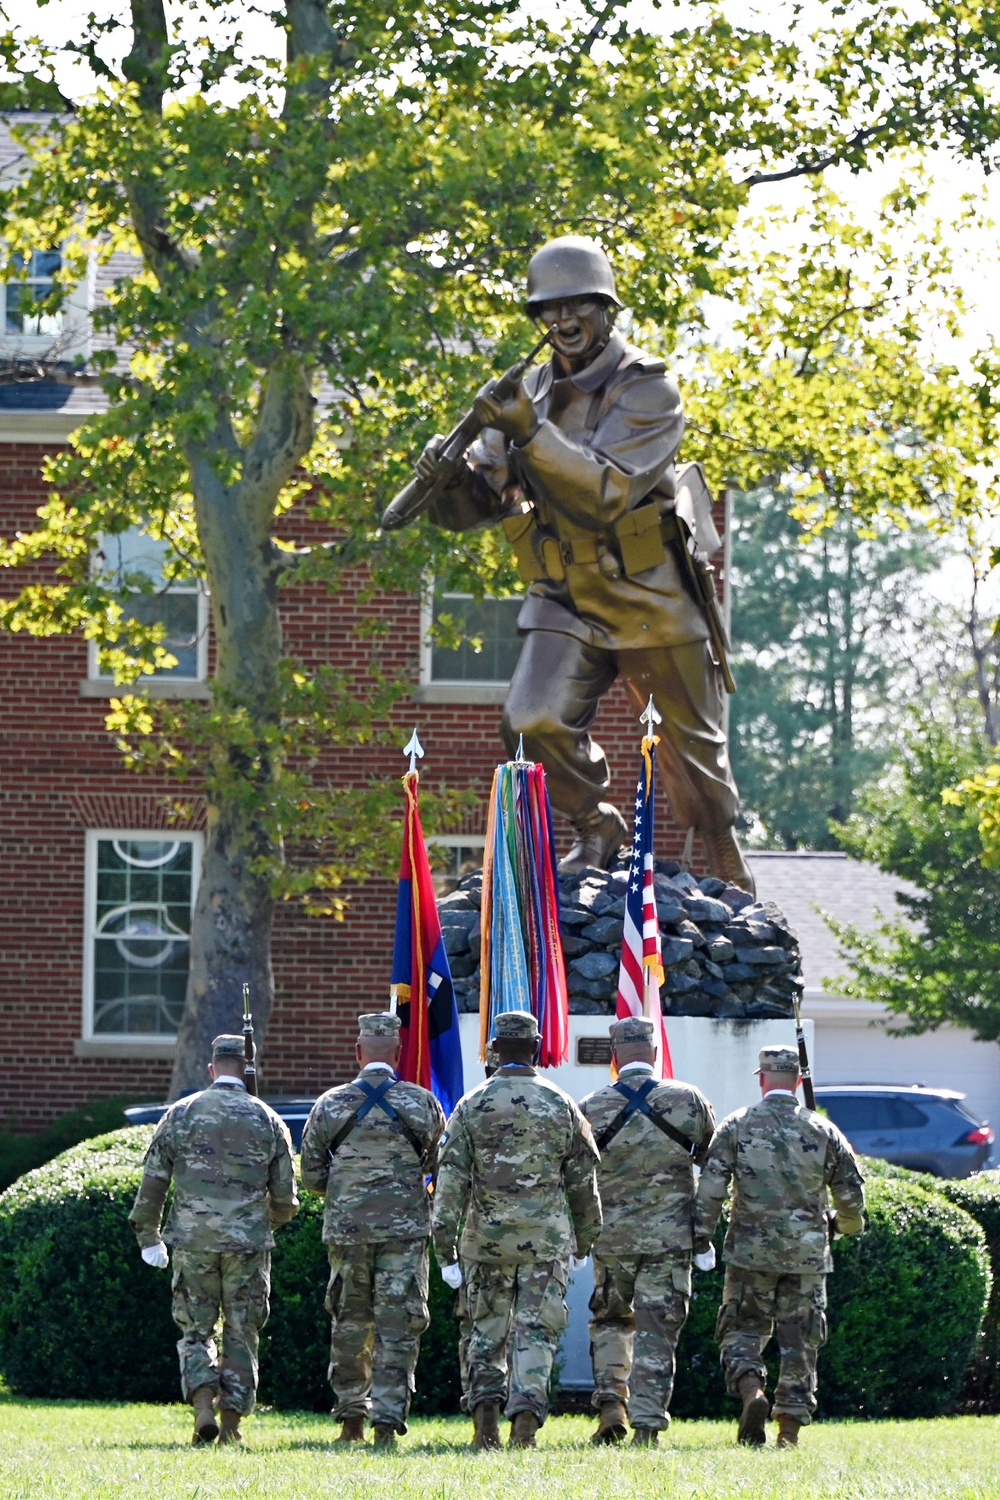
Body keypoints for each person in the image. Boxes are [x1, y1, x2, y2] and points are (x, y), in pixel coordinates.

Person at [418, 234, 752, 890]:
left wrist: (528, 432)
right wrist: (447, 478)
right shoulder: (529, 391)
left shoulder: (649, 390)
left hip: (649, 593)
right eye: (549, 310)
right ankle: (595, 826)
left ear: (608, 310)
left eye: (579, 306)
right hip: (565, 590)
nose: (563, 322)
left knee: (695, 760)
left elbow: (605, 493)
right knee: (530, 722)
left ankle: (728, 864)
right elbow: (479, 504)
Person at [432, 1009, 602, 1451]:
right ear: (535, 1047)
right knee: (537, 1333)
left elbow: (449, 1183)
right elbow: (583, 1182)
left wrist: (444, 1249)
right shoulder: (562, 1104)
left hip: (484, 1242)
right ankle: (524, 1421)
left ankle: (485, 1421)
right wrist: (585, 1240)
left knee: (485, 1330)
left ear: (493, 1050)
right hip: (545, 1243)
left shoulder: (470, 1106)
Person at [128, 1033, 299, 1447]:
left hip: (192, 1241)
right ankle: (231, 1426)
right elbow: (286, 1199)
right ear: (248, 1069)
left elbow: (153, 1182)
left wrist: (148, 1235)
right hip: (247, 1246)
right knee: (243, 1333)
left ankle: (203, 1404)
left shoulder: (181, 1113)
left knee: (195, 1331)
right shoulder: (267, 1119)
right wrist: (260, 1225)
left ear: (211, 1069)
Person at [693, 1044, 866, 1449]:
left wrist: (701, 1235)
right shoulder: (824, 1131)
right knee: (801, 1341)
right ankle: (788, 1430)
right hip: (807, 1256)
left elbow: (712, 1190)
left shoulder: (737, 1125)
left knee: (741, 1329)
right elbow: (852, 1200)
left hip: (750, 1253)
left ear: (762, 1078)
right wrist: (843, 1227)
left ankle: (752, 1391)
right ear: (799, 1080)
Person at [299, 1011, 446, 1449]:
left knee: (350, 1323)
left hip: (348, 1230)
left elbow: (310, 1173)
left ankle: (351, 1420)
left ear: (358, 1052)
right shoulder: (422, 1102)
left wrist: (346, 1195)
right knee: (397, 1326)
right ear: (398, 1054)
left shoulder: (330, 1104)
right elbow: (441, 1165)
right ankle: (387, 1421)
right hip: (405, 1232)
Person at [579, 1015, 717, 1447]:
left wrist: (582, 1236)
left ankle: (611, 1405)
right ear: (654, 1054)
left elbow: (577, 1176)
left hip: (612, 1239)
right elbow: (713, 1166)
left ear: (615, 1059)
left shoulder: (591, 1106)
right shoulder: (689, 1100)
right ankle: (646, 1426)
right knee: (658, 1331)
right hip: (670, 1240)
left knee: (610, 1322)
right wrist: (703, 1235)